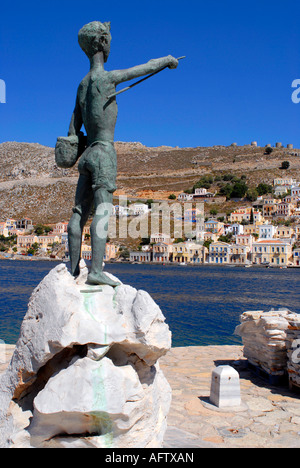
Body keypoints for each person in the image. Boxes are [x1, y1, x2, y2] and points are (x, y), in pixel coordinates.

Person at [67, 21, 178, 286]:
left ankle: (72, 270)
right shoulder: (107, 78)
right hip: (104, 152)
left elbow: (72, 128)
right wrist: (167, 60)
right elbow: (143, 68)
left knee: (78, 213)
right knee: (103, 211)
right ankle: (95, 271)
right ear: (102, 43)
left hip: (86, 156)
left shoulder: (82, 85)